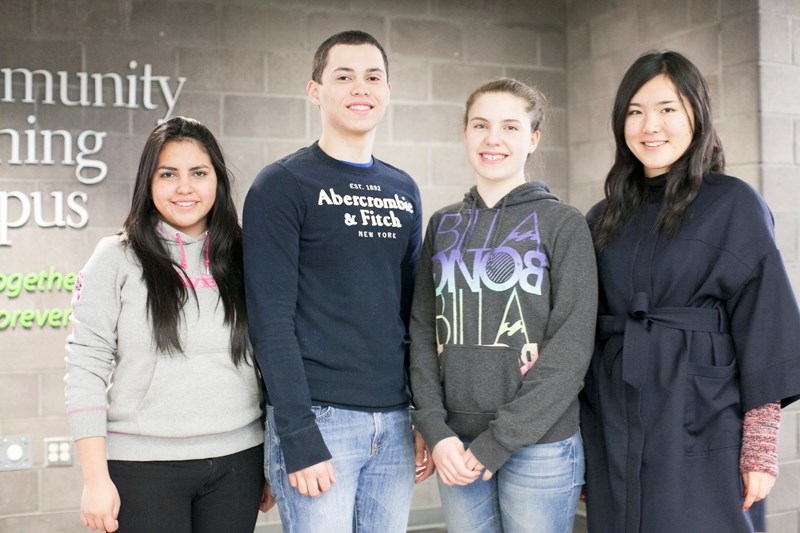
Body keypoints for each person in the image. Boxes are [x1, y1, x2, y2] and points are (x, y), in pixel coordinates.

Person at [581, 50, 800, 533]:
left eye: (666, 109)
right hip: (613, 421)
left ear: (695, 115)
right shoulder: (601, 218)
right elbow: (579, 330)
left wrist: (761, 447)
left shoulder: (734, 204)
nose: (649, 126)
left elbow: (766, 322)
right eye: (635, 112)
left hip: (705, 417)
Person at [242, 30, 434, 532]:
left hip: (392, 422)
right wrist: (299, 434)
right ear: (315, 91)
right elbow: (270, 320)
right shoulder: (282, 185)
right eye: (343, 76)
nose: (359, 88)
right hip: (320, 420)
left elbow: (411, 313)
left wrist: (419, 415)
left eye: (372, 77)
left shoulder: (403, 189)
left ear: (387, 92)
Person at [65, 116, 272, 532]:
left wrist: (271, 458)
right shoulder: (115, 258)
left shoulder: (248, 255)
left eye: (199, 173)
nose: (184, 187)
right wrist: (94, 479)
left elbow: (270, 357)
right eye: (168, 174)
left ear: (218, 180)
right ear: (148, 182)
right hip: (144, 468)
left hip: (240, 461)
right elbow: (84, 367)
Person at [409, 78, 597, 533]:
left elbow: (571, 349)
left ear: (532, 140)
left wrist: (499, 441)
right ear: (465, 133)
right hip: (456, 444)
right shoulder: (443, 223)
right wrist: (435, 430)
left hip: (540, 445)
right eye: (481, 125)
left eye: (510, 127)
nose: (493, 139)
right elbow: (420, 330)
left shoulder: (563, 224)